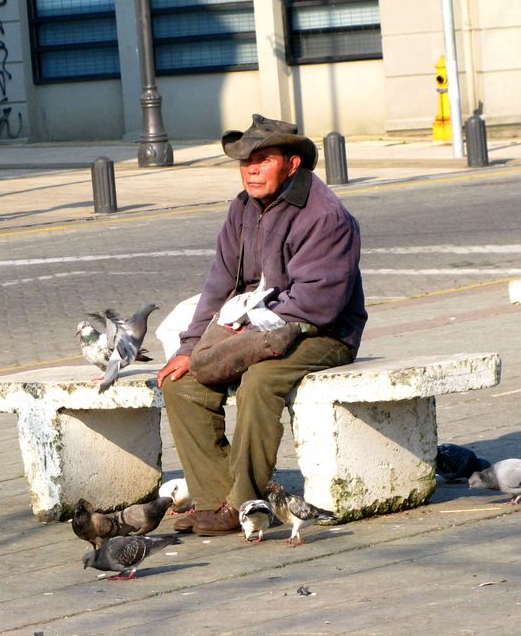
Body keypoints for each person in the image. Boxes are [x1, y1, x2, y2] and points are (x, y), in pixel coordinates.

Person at [156, 114, 367, 536]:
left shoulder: (325, 216)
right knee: (182, 384)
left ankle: (244, 501)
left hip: (321, 332)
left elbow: (315, 304)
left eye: (262, 160)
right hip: (257, 330)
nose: (250, 170)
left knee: (260, 380)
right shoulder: (242, 209)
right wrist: (189, 346)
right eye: (244, 162)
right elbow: (218, 285)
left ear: (292, 164)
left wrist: (246, 335)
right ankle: (218, 501)